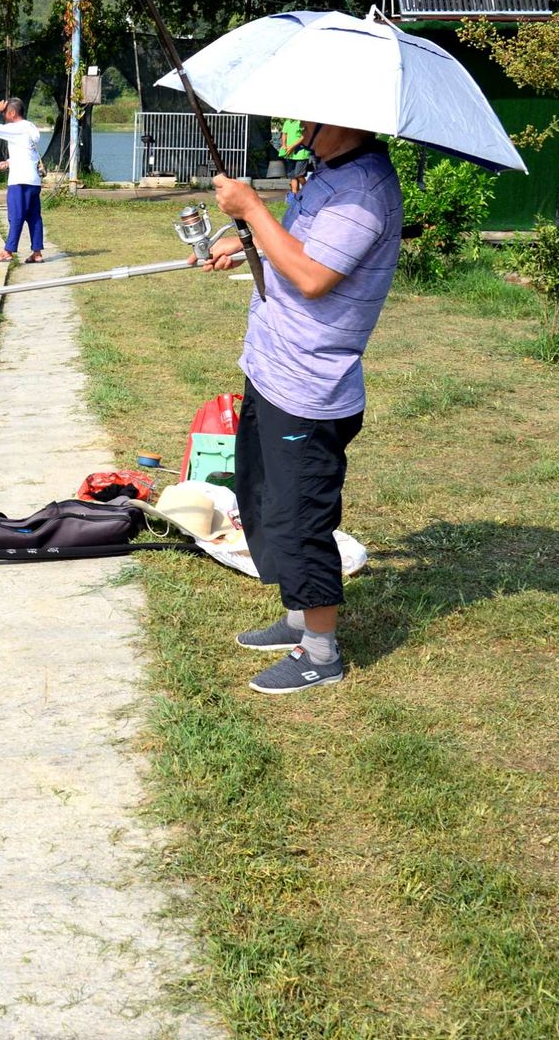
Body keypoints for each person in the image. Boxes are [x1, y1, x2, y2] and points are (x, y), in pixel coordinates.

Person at [201, 121, 402, 694]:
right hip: (272, 369)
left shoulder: (363, 190)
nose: (297, 122)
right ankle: (296, 618)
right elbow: (296, 255)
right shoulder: (327, 176)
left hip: (310, 389)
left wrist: (252, 209)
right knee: (261, 496)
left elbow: (314, 277)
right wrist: (243, 243)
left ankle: (321, 652)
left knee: (300, 518)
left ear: (345, 120)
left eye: (310, 112)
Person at [0, 96, 45, 263]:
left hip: (20, 182)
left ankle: (8, 251)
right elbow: (27, 153)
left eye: (5, 113)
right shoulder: (30, 127)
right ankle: (37, 253)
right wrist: (8, 162)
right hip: (33, 181)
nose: (4, 116)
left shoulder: (16, 128)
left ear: (11, 113)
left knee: (16, 216)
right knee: (34, 217)